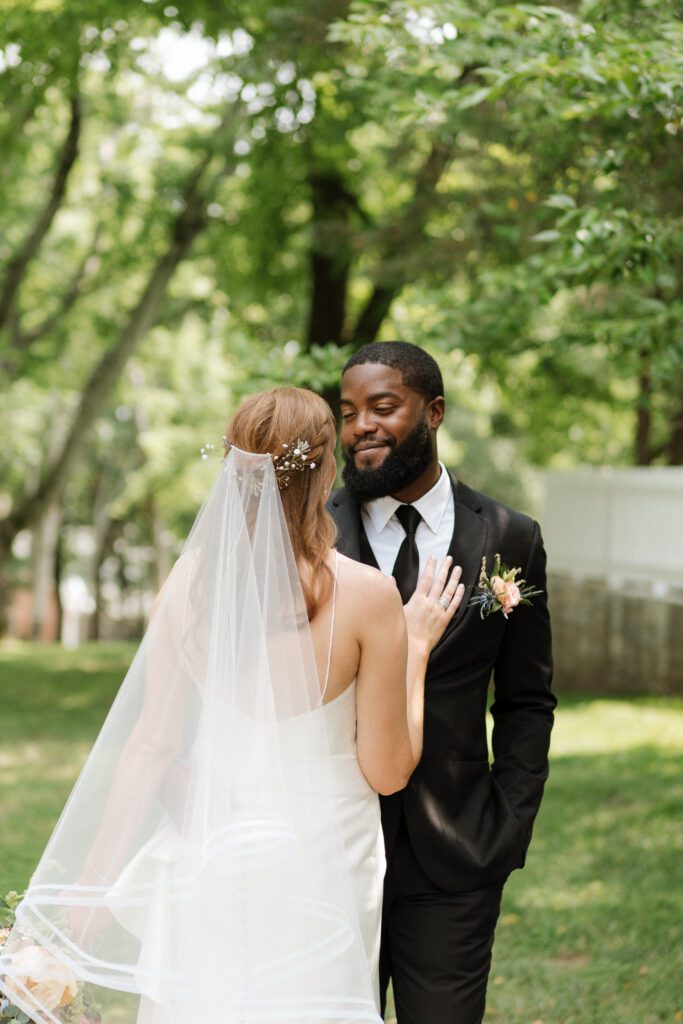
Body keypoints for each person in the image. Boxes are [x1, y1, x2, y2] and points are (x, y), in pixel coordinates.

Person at [0, 386, 463, 1024]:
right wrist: (414, 650)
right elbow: (387, 770)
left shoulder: (191, 582)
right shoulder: (369, 597)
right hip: (321, 867)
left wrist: (92, 885)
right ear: (326, 473)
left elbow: (150, 748)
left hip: (206, 848)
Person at [329, 342, 556, 1024]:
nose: (360, 425)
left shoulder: (509, 538)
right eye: (347, 413)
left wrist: (507, 821)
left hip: (456, 852)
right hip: (331, 844)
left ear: (433, 413)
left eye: (381, 407)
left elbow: (526, 699)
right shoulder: (310, 535)